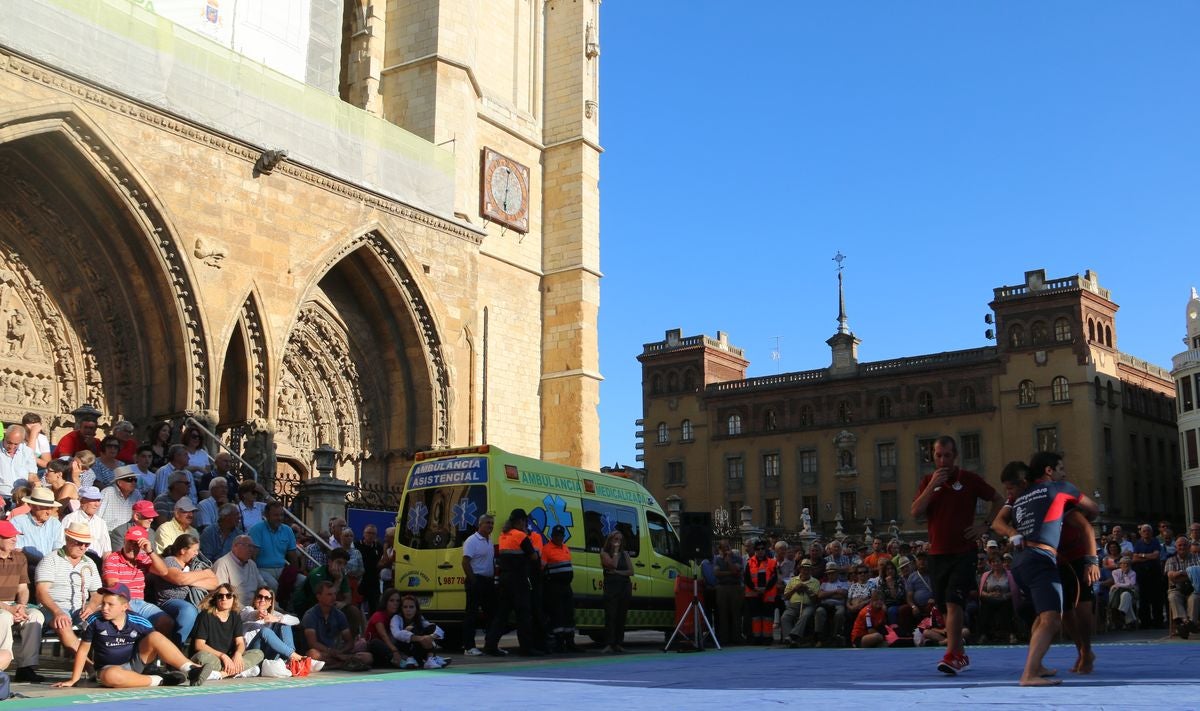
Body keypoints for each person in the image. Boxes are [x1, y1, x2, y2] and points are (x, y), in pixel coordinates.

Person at [992, 460, 1098, 687]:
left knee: (1043, 616)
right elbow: (1093, 510)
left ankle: (1037, 665)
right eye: (1060, 470)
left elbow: (997, 522)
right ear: (1048, 471)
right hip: (1042, 559)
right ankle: (1029, 674)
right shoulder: (1059, 488)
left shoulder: (1018, 499)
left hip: (1021, 561)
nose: (1064, 473)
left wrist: (1012, 532)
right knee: (1052, 620)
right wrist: (1092, 560)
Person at [910, 435, 1005, 675]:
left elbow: (998, 499)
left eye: (947, 455)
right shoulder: (927, 481)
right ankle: (960, 654)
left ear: (955, 456)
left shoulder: (969, 480)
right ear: (933, 456)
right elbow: (915, 512)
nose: (943, 460)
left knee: (954, 602)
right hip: (937, 553)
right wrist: (933, 485)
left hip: (963, 552)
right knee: (944, 607)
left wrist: (984, 525)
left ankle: (952, 655)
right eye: (938, 455)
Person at [51, 584, 204, 688]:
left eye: (110, 605)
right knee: (110, 677)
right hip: (108, 668)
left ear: (124, 607)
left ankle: (190, 669)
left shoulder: (138, 620)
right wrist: (74, 679)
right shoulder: (95, 620)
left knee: (156, 636)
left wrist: (148, 665)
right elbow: (83, 651)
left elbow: (156, 645)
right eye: (103, 603)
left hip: (134, 664)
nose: (104, 608)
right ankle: (161, 679)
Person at [34, 521, 102, 654]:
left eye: (86, 544)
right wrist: (57, 611)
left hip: (80, 608)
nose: (83, 547)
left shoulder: (90, 563)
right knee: (63, 622)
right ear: (67, 539)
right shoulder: (50, 559)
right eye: (78, 542)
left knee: (107, 619)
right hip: (54, 607)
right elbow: (41, 592)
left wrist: (92, 606)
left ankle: (106, 664)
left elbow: (98, 593)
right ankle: (89, 667)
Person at [101, 525, 175, 637]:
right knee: (135, 624)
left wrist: (149, 551)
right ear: (124, 541)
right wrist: (127, 607)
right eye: (130, 542)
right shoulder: (113, 558)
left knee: (166, 622)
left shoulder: (143, 558)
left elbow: (164, 571)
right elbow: (113, 586)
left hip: (140, 602)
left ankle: (154, 652)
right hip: (120, 601)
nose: (132, 547)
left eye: (136, 544)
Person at [484, 509, 539, 656]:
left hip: (504, 580)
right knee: (524, 615)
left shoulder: (503, 536)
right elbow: (534, 557)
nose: (525, 524)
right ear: (520, 521)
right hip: (519, 580)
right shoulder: (521, 536)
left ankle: (490, 645)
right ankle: (526, 648)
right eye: (525, 521)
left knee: (501, 615)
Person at [0, 519, 46, 682]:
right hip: (2, 607)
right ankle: (1, 666)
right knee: (3, 617)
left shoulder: (20, 558)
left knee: (35, 616)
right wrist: (9, 609)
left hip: (13, 604)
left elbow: (23, 589)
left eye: (15, 536)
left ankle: (26, 667)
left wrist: (22, 606)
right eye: (9, 536)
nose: (14, 539)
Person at [191, 584, 265, 681]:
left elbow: (240, 642)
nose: (224, 598)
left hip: (230, 659)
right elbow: (199, 645)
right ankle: (237, 671)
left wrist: (238, 654)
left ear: (233, 598)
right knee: (201, 658)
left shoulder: (235, 615)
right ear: (216, 599)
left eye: (228, 595)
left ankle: (222, 673)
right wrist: (223, 656)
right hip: (214, 657)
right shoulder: (205, 615)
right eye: (220, 596)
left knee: (258, 653)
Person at [155, 533, 219, 645]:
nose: (196, 553)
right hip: (169, 602)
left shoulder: (194, 565)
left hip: (191, 600)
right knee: (188, 610)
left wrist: (190, 579)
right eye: (194, 550)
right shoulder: (169, 561)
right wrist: (205, 573)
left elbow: (214, 583)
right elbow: (180, 579)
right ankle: (176, 646)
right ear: (183, 550)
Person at [302, 580, 372, 670]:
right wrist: (331, 652)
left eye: (334, 594)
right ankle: (342, 664)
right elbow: (313, 643)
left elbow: (349, 641)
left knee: (368, 657)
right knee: (313, 654)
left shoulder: (339, 614)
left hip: (337, 652)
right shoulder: (310, 615)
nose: (333, 597)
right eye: (329, 594)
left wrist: (340, 652)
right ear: (319, 597)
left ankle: (335, 664)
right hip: (322, 652)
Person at [241, 585, 306, 666]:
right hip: (252, 653)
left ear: (270, 602)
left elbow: (296, 621)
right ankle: (295, 657)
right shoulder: (247, 610)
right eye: (259, 597)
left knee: (284, 623)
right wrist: (258, 614)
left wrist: (277, 619)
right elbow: (248, 615)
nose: (262, 600)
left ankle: (291, 660)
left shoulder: (273, 615)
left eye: (266, 598)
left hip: (267, 654)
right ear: (255, 599)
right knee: (265, 631)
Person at [461, 513, 495, 656]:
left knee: (491, 614)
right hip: (476, 580)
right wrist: (473, 580)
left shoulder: (489, 540)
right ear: (479, 525)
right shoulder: (472, 541)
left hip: (488, 581)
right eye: (487, 523)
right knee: (472, 614)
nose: (490, 525)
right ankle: (469, 647)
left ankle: (491, 645)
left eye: (492, 523)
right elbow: (465, 562)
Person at [542, 524, 577, 651]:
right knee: (558, 614)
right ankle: (559, 643)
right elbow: (542, 568)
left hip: (566, 586)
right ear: (552, 536)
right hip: (554, 587)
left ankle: (570, 642)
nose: (559, 537)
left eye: (561, 535)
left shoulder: (565, 548)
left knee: (569, 614)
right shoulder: (546, 549)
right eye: (556, 535)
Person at [390, 594, 449, 669]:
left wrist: (430, 637)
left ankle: (430, 659)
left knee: (430, 628)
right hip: (403, 649)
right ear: (401, 609)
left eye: (411, 607)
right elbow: (397, 634)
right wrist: (420, 638)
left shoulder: (419, 618)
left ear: (416, 609)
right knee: (411, 629)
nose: (408, 610)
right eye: (405, 607)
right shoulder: (396, 618)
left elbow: (437, 629)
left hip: (418, 647)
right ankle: (411, 658)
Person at [600, 529, 633, 654]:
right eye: (615, 539)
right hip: (611, 587)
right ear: (610, 540)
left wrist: (618, 572)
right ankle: (609, 643)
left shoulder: (625, 554)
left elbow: (631, 571)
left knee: (621, 615)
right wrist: (615, 552)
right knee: (611, 615)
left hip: (624, 587)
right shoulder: (604, 553)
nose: (618, 542)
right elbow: (612, 565)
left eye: (620, 540)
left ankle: (619, 643)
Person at [248, 500, 295, 587]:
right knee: (273, 585)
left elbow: (292, 555)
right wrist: (254, 574)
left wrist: (293, 572)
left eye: (281, 515)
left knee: (302, 581)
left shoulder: (288, 530)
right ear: (267, 515)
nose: (280, 518)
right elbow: (253, 556)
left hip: (282, 568)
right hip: (262, 569)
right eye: (276, 515)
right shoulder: (256, 529)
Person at [12, 486, 64, 565]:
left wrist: (47, 565)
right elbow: (17, 551)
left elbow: (58, 549)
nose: (49, 512)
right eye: (45, 508)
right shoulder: (17, 522)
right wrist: (42, 562)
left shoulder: (55, 524)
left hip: (50, 568)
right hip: (26, 567)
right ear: (32, 506)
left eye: (51, 508)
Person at [214, 535, 270, 607]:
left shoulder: (251, 564)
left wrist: (269, 602)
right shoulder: (222, 564)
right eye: (248, 546)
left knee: (284, 617)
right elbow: (223, 596)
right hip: (236, 609)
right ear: (235, 546)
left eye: (252, 547)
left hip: (257, 605)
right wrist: (248, 612)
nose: (251, 550)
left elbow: (262, 585)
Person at [743, 539, 778, 644]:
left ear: (765, 550)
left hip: (768, 594)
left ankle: (767, 638)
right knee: (755, 617)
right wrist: (755, 589)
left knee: (768, 617)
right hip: (753, 594)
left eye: (762, 548)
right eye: (758, 549)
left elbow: (774, 577)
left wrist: (765, 589)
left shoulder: (772, 562)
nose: (760, 551)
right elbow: (747, 578)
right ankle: (756, 637)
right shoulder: (749, 562)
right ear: (754, 550)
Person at [62, 485, 111, 559]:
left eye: (98, 500)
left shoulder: (101, 522)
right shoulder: (70, 519)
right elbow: (62, 544)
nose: (97, 504)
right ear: (82, 501)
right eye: (93, 500)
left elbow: (107, 550)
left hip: (97, 562)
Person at [1131, 523, 1164, 629]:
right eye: (1144, 531)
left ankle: (1158, 621)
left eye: (1148, 531)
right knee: (1143, 599)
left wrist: (1142, 555)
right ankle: (1145, 622)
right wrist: (1148, 557)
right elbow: (1134, 558)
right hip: (1142, 574)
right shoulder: (1138, 543)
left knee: (1157, 598)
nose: (1146, 533)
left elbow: (1156, 556)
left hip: (1155, 573)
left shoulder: (1155, 541)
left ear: (1151, 532)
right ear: (1140, 533)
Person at [1166, 537, 1199, 637]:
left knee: (1195, 597)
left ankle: (1186, 624)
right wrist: (1190, 573)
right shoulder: (1170, 560)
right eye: (1180, 545)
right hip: (1177, 589)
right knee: (1173, 596)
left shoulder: (1197, 558)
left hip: (1194, 588)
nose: (1182, 547)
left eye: (1185, 545)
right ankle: (1187, 622)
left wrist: (1180, 574)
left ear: (1189, 546)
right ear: (1176, 547)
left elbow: (1198, 574)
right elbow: (1171, 577)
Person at [781, 558, 819, 646]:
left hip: (808, 605)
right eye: (803, 568)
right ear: (800, 569)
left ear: (811, 570)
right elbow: (785, 597)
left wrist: (807, 589)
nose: (805, 571)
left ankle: (792, 636)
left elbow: (815, 599)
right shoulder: (793, 580)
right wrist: (795, 589)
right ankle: (790, 641)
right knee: (785, 617)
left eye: (808, 568)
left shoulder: (815, 582)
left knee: (805, 615)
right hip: (793, 605)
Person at [712, 539, 743, 646]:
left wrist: (729, 560)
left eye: (728, 547)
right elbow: (716, 573)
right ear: (720, 549)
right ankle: (724, 638)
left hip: (735, 587)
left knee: (736, 613)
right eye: (725, 547)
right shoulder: (716, 559)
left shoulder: (738, 558)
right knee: (722, 613)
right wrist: (731, 572)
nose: (727, 549)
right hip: (722, 588)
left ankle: (737, 637)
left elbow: (737, 572)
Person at [364, 587, 405, 667]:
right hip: (376, 647)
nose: (395, 603)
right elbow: (384, 636)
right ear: (385, 602)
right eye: (391, 601)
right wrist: (395, 651)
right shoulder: (378, 615)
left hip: (389, 647)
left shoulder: (397, 617)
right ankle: (396, 660)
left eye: (397, 601)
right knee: (376, 643)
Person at [99, 465, 143, 533]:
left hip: (129, 534)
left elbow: (140, 517)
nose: (133, 482)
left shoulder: (136, 494)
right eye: (130, 480)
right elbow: (97, 516)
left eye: (135, 480)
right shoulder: (107, 492)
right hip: (108, 533)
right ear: (119, 483)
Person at [0, 425, 37, 499]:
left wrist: (35, 484)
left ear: (22, 441)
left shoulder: (27, 452)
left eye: (16, 444)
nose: (11, 447)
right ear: (5, 436)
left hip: (22, 497)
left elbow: (32, 475)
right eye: (9, 442)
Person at [813, 567, 848, 647]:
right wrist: (835, 591)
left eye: (833, 573)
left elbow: (842, 596)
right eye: (829, 573)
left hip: (838, 605)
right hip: (825, 605)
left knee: (840, 613)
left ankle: (836, 636)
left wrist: (827, 595)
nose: (831, 575)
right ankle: (819, 638)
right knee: (819, 611)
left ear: (837, 573)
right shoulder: (824, 584)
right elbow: (820, 595)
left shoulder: (843, 583)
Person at [356, 524, 384, 615]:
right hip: (360, 581)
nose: (370, 535)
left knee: (374, 608)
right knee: (357, 608)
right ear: (364, 534)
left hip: (374, 582)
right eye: (368, 533)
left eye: (373, 533)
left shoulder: (379, 547)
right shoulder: (356, 545)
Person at [1109, 556, 1139, 628]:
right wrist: (1125, 585)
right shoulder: (1115, 572)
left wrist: (1125, 575)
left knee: (1126, 594)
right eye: (1124, 563)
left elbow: (1131, 585)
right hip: (1116, 593)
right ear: (1120, 564)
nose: (1125, 565)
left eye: (1127, 564)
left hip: (1129, 592)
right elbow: (1117, 583)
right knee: (1126, 597)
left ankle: (1121, 612)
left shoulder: (1133, 573)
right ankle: (1130, 620)